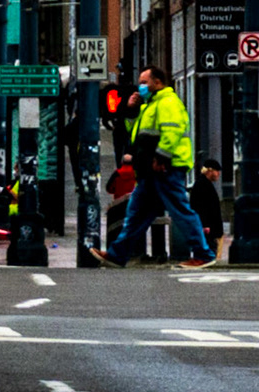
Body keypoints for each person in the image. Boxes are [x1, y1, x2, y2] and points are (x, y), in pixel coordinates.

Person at [91, 66, 214, 269]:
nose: (140, 87)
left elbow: (172, 132)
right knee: (137, 214)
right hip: (151, 169)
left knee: (179, 211)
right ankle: (117, 254)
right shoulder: (150, 106)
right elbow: (134, 133)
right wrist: (131, 110)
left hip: (166, 168)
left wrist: (162, 157)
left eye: (144, 82)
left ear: (157, 82)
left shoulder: (167, 102)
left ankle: (203, 254)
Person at [192, 158, 226, 259]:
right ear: (209, 171)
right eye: (217, 171)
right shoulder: (202, 185)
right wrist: (205, 224)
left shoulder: (205, 184)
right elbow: (200, 207)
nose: (218, 173)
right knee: (209, 255)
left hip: (211, 229)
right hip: (208, 230)